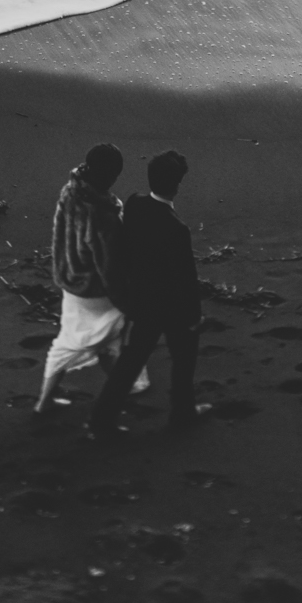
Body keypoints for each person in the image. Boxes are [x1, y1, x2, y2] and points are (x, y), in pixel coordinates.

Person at [93, 149, 209, 437]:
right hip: (172, 308)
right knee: (183, 360)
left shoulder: (135, 204)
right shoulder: (177, 229)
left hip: (142, 302)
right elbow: (186, 278)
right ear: (178, 184)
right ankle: (183, 412)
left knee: (130, 361)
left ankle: (100, 421)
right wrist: (194, 316)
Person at [35, 143, 137, 413]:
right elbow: (109, 267)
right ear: (110, 173)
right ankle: (116, 401)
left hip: (70, 279)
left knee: (71, 342)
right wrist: (125, 300)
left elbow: (62, 232)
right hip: (95, 290)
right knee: (109, 340)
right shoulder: (104, 214)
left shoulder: (70, 191)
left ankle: (45, 403)